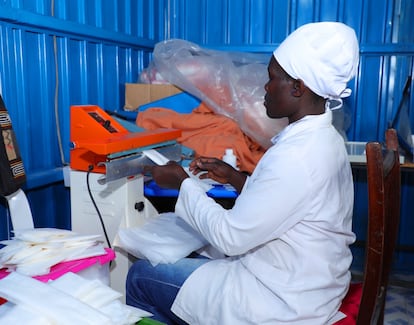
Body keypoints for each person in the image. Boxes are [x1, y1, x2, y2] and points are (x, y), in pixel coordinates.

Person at [126, 21, 359, 324]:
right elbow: (286, 203)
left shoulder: (297, 156)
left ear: (298, 87)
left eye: (273, 78)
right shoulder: (324, 140)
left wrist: (182, 183)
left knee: (140, 276)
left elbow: (231, 238)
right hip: (308, 285)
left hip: (280, 302)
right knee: (188, 262)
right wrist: (238, 179)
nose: (265, 87)